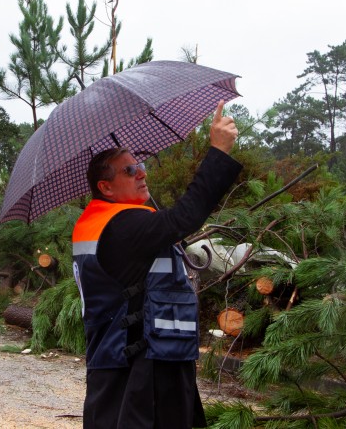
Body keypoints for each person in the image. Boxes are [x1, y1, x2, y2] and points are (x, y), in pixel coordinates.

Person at [71, 100, 242, 428]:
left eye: (140, 164)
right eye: (129, 170)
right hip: (143, 366)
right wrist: (219, 150)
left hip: (118, 357)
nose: (142, 172)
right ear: (105, 187)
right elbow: (185, 216)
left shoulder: (98, 223)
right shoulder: (125, 225)